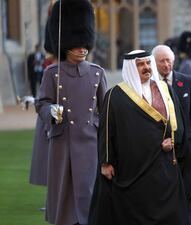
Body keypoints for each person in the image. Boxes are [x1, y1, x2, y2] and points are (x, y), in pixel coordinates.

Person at [88, 50, 188, 225]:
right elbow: (105, 132)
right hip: (131, 169)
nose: (146, 67)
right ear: (131, 68)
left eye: (148, 63)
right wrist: (105, 162)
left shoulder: (165, 90)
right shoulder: (115, 95)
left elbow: (178, 122)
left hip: (162, 165)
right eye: (140, 64)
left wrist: (173, 140)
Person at [37, 0, 107, 224]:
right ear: (67, 44)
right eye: (78, 45)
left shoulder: (97, 73)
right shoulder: (51, 73)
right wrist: (53, 112)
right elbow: (42, 103)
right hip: (63, 142)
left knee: (89, 197)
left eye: (85, 44)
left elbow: (105, 109)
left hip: (90, 142)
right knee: (64, 198)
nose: (83, 48)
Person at [152, 44, 191, 225]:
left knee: (186, 189)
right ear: (154, 63)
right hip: (163, 146)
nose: (166, 65)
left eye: (169, 60)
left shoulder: (187, 81)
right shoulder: (151, 85)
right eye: (162, 61)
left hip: (187, 144)